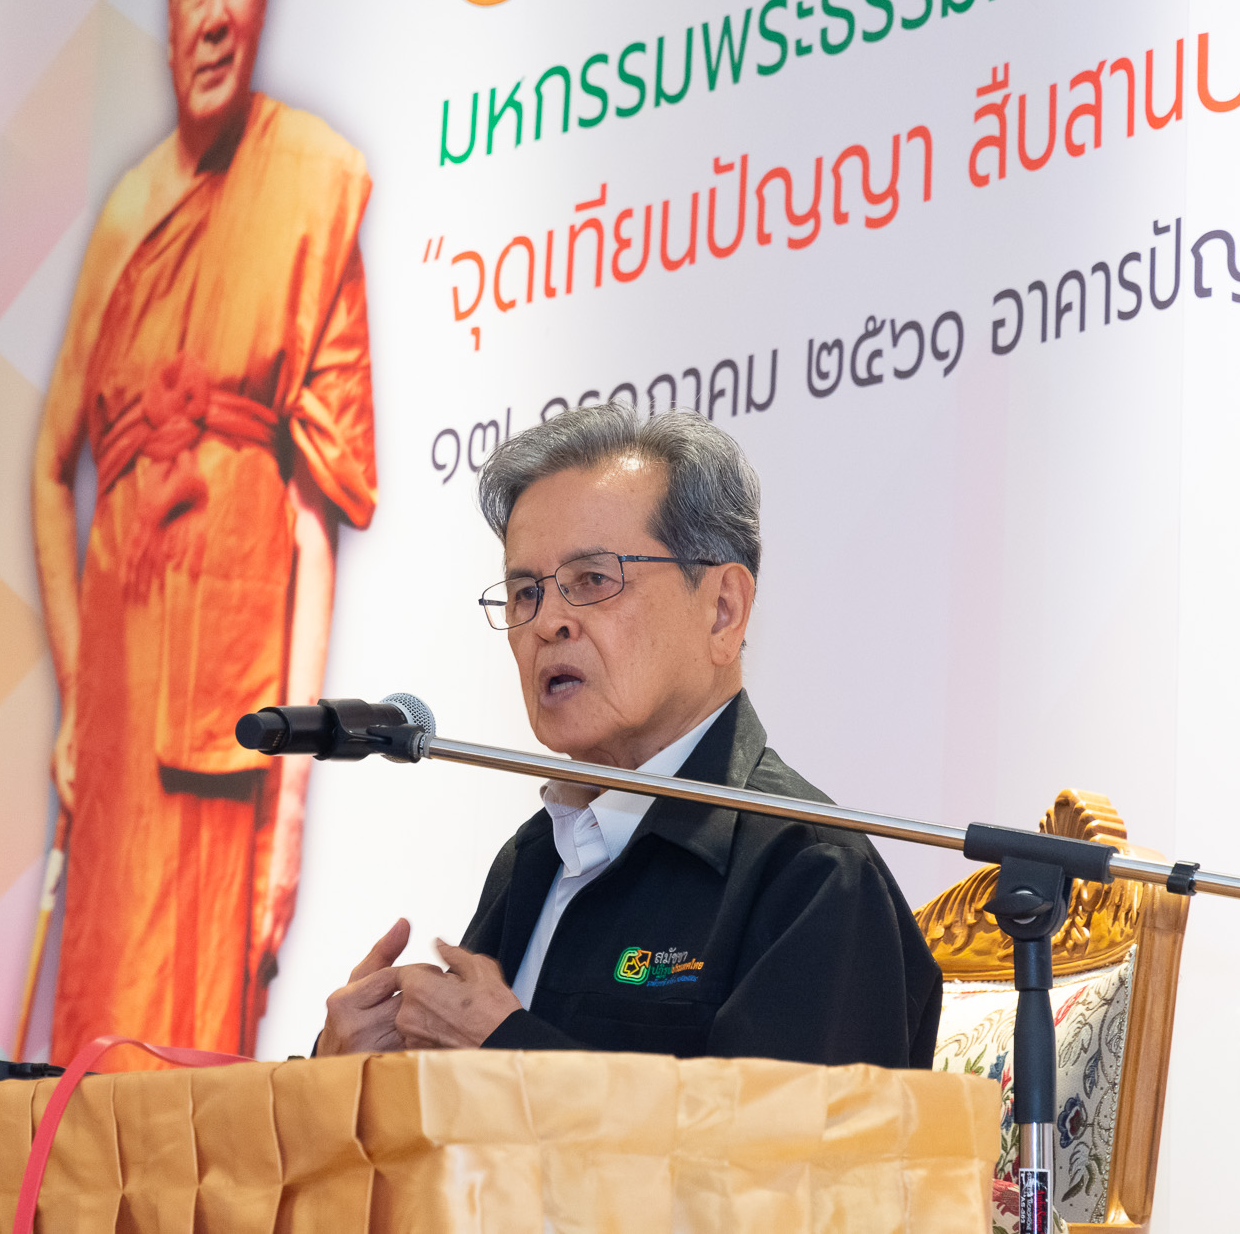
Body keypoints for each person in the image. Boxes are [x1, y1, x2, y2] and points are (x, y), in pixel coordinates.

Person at [31, 0, 377, 1061]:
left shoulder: (311, 185)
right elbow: (48, 467)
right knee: (85, 1063)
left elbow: (315, 523)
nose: (218, 13)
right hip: (118, 709)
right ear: (168, 10)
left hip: (224, 726)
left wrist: (292, 811)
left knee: (184, 1085)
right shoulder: (125, 211)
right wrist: (74, 698)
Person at [314, 407, 940, 1067]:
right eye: (525, 592)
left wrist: (506, 1050)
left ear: (722, 610)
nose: (548, 621)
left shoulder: (812, 874)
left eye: (592, 579)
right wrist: (348, 1069)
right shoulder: (533, 859)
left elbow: (777, 1137)